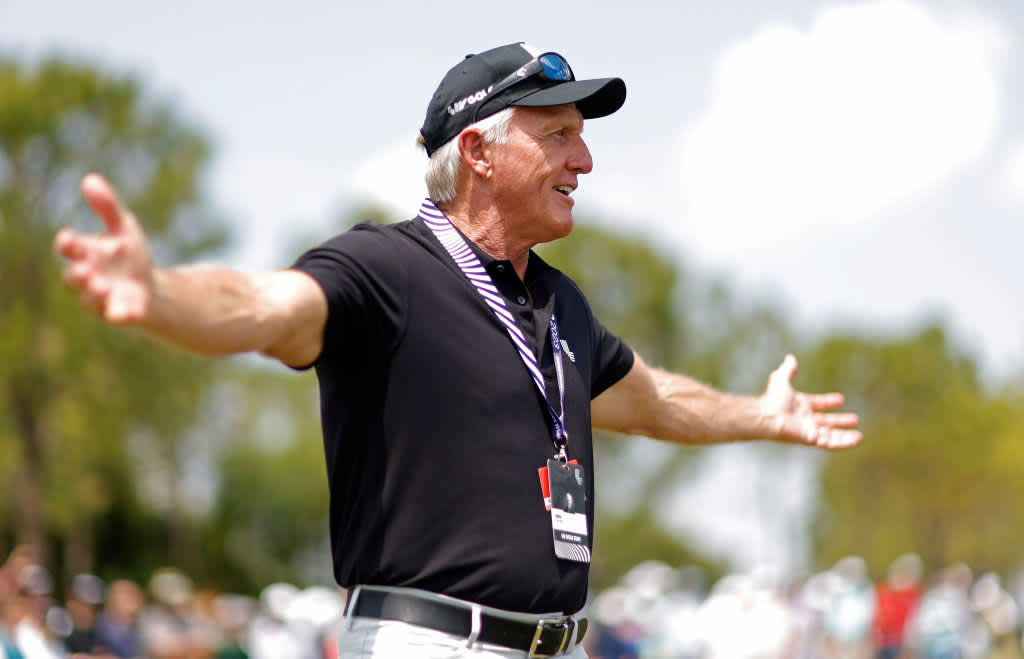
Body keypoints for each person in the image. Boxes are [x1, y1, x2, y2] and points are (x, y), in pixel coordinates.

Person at [54, 42, 861, 658]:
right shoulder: (388, 269)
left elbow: (653, 400)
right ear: (477, 152)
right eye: (559, 137)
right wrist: (158, 294)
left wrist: (761, 414)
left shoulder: (560, 302)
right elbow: (268, 306)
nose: (585, 161)